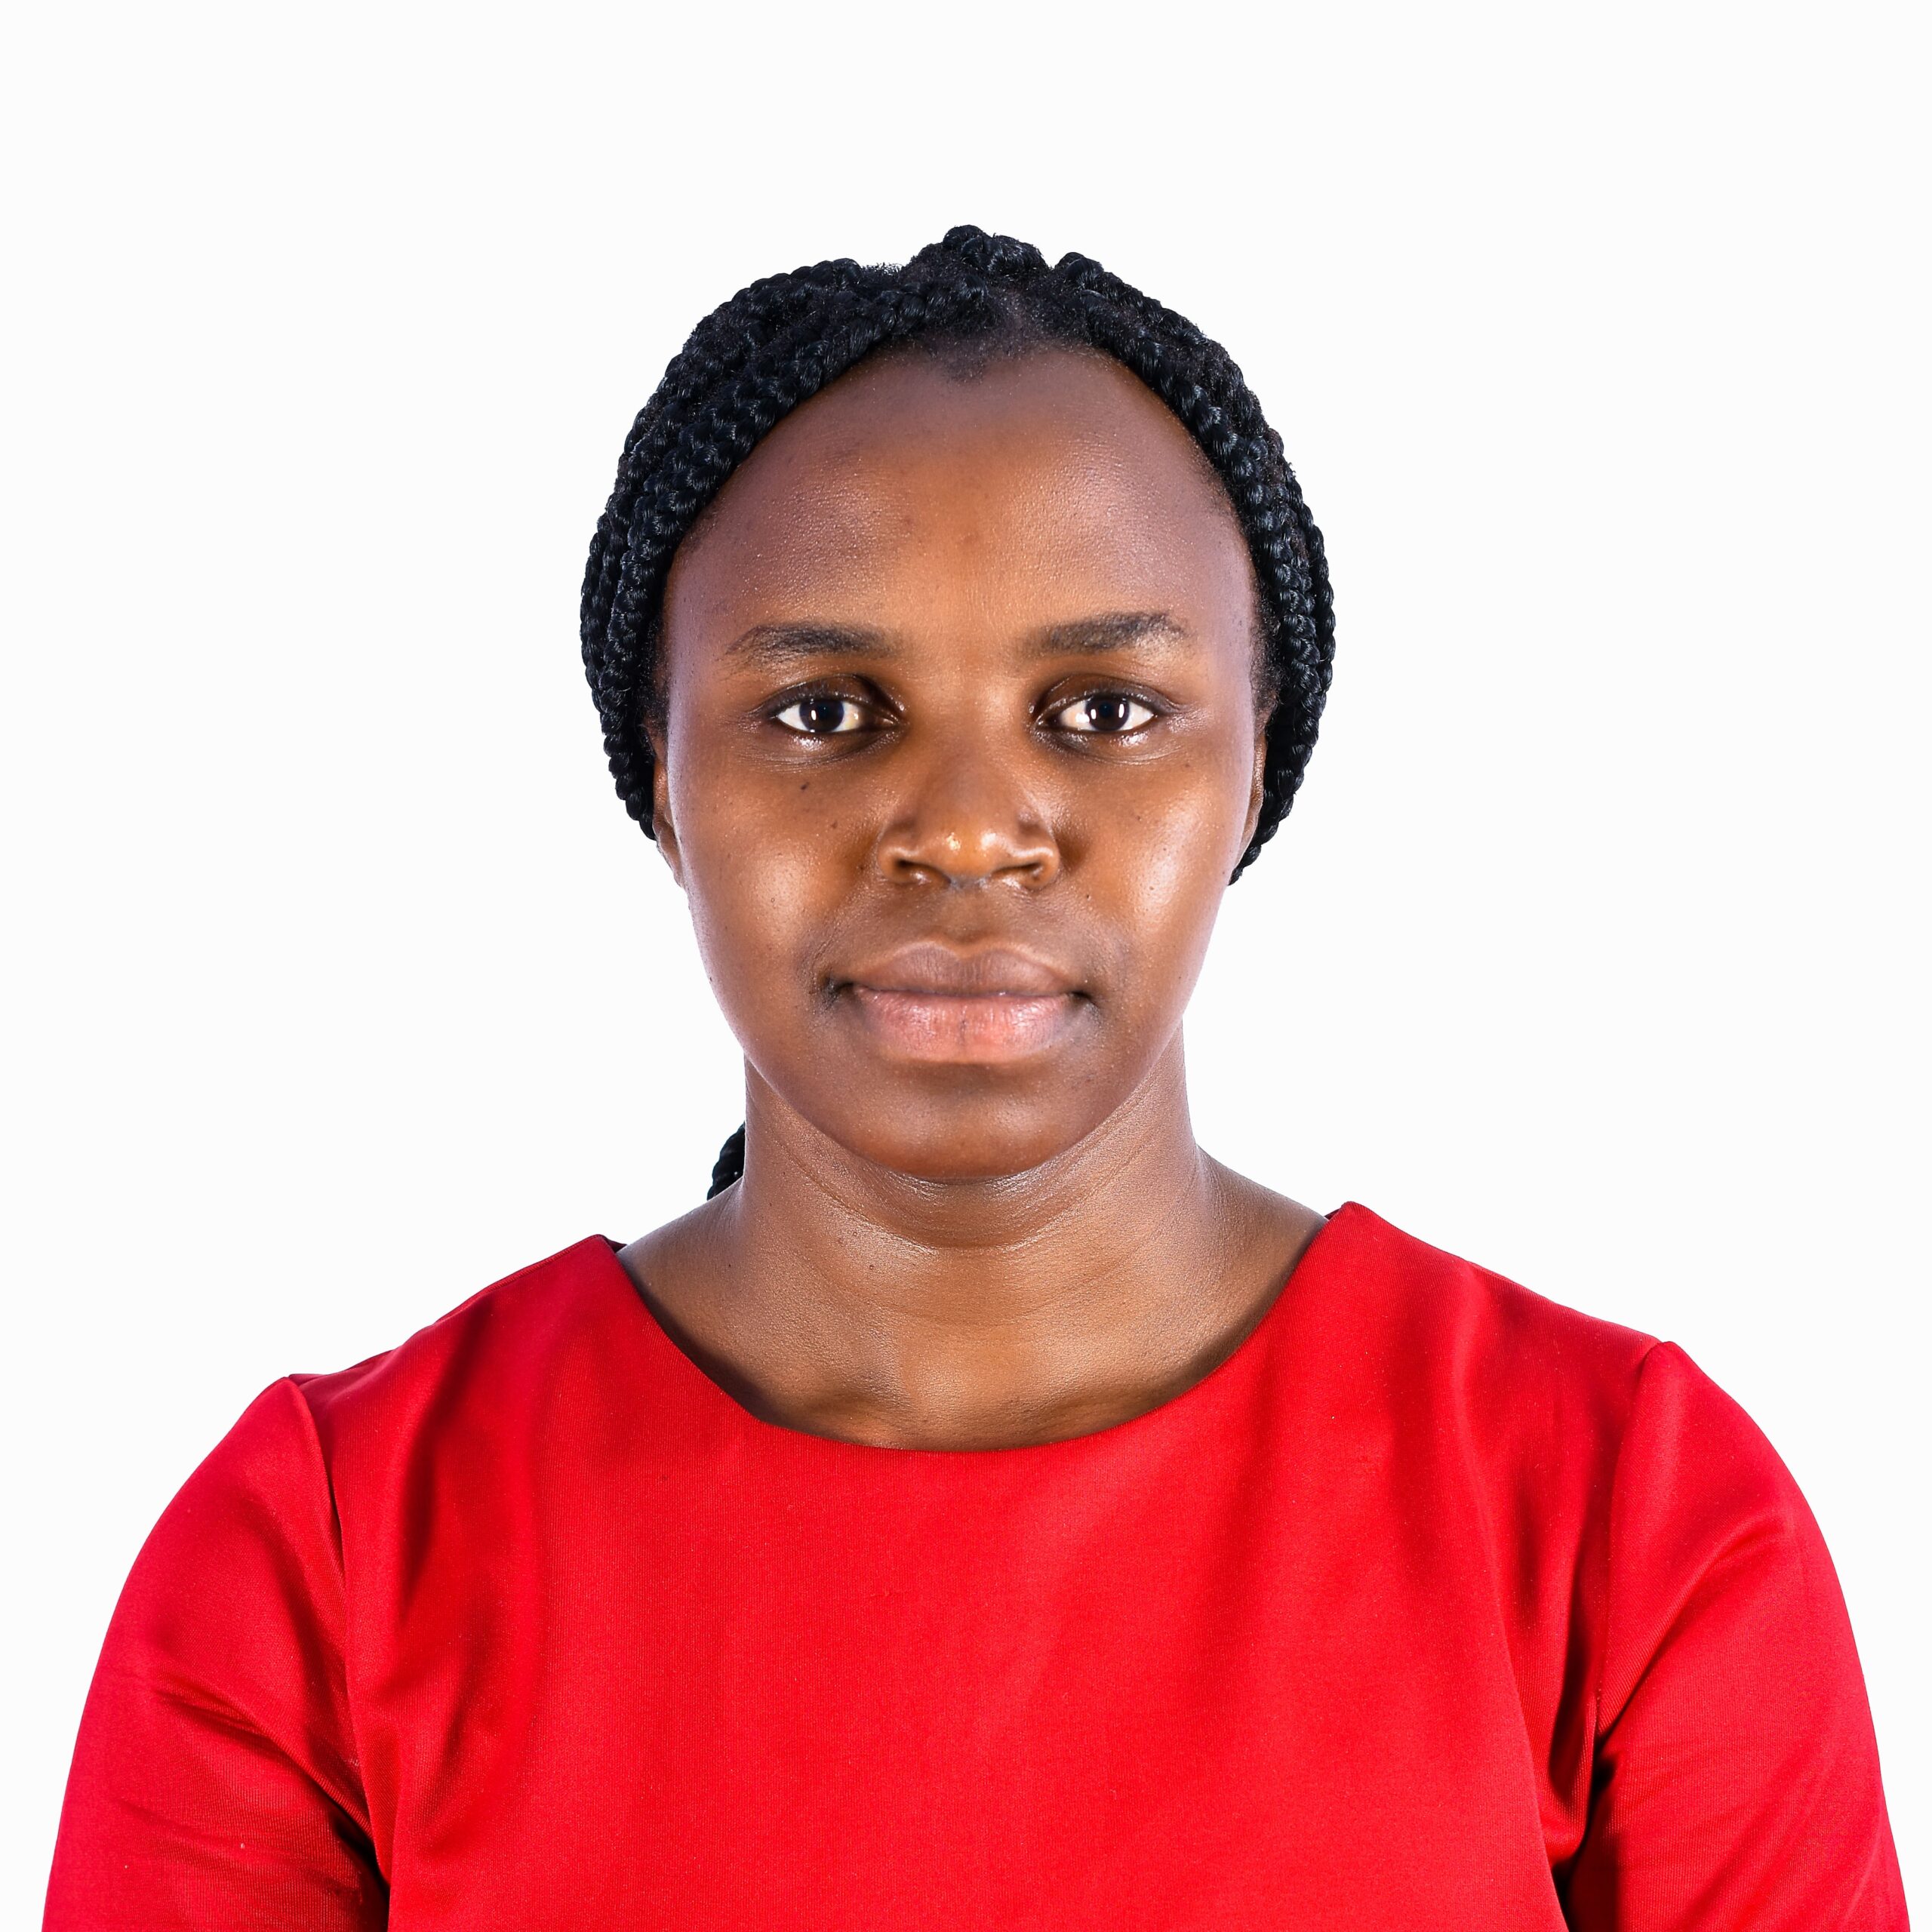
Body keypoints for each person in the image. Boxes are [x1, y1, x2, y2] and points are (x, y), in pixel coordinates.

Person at [44, 227, 1905, 1929]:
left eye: (1099, 711)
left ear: (1256, 762)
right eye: (822, 712)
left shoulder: (1625, 1518)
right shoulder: (326, 1554)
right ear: (657, 773)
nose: (962, 828)